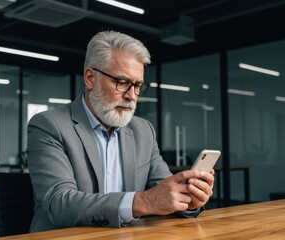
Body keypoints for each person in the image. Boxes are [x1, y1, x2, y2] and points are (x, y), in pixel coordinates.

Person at [27, 30, 214, 232]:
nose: (132, 96)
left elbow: (163, 191)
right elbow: (60, 204)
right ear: (90, 78)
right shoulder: (49, 125)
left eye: (137, 86)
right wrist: (142, 202)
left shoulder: (143, 130)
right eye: (122, 82)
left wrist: (187, 198)